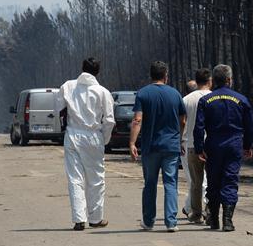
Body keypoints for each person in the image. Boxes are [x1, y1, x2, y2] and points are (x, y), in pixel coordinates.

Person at [55, 57, 115, 231]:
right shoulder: (103, 91)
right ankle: (95, 218)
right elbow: (109, 120)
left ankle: (79, 219)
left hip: (72, 135)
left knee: (75, 178)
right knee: (96, 179)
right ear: (97, 72)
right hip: (93, 135)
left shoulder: (67, 86)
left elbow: (57, 108)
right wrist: (104, 139)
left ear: (82, 68)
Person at [194, 64, 253, 231]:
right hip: (234, 145)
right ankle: (227, 220)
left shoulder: (205, 100)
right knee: (230, 180)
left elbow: (199, 127)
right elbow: (249, 127)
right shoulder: (241, 100)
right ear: (228, 80)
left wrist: (199, 148)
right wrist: (247, 146)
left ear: (215, 80)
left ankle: (214, 219)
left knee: (213, 182)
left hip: (213, 145)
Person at [129, 61, 186, 232]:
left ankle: (148, 221)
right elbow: (183, 119)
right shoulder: (175, 94)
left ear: (151, 75)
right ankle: (171, 222)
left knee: (150, 184)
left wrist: (132, 142)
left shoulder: (143, 93)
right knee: (170, 183)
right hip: (171, 147)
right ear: (165, 75)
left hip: (150, 147)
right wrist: (179, 138)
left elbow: (137, 120)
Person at [180, 68, 212, 224]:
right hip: (212, 144)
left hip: (190, 144)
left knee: (195, 181)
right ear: (210, 81)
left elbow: (182, 122)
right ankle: (208, 210)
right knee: (209, 180)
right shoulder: (215, 97)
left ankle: (194, 211)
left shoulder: (186, 99)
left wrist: (179, 140)